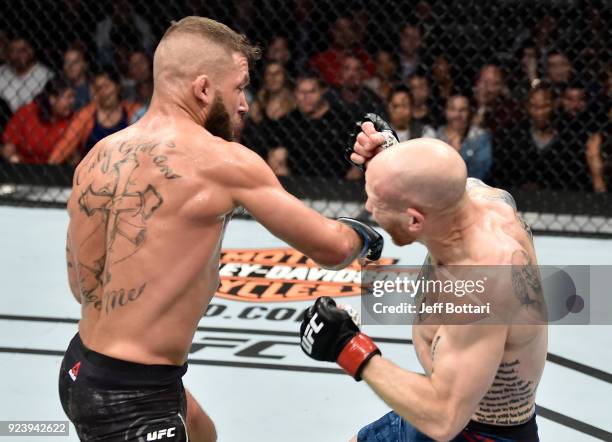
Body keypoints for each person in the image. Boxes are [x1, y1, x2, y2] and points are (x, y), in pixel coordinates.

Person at [58, 16, 383, 442]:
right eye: (239, 87)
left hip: (81, 366)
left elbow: (80, 288)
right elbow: (333, 247)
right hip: (132, 399)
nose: (245, 103)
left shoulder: (100, 154)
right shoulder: (224, 161)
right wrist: (370, 218)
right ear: (204, 88)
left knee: (203, 433)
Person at [300, 119, 546, 441]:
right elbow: (434, 179)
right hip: (445, 403)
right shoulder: (477, 198)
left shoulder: (479, 284)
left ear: (414, 219)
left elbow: (444, 419)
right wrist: (391, 158)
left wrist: (348, 346)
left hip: (471, 430)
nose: (368, 207)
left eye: (376, 201)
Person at [48, 66, 141, 164]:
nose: (104, 92)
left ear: (117, 86)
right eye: (99, 88)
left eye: (107, 86)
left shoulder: (134, 111)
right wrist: (50, 166)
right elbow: (65, 145)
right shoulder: (86, 114)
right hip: (92, 171)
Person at [2, 77, 74, 164]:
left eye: (73, 97)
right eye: (68, 97)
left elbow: (74, 156)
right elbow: (8, 149)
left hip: (56, 170)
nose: (72, 101)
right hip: (23, 167)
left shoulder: (72, 119)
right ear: (53, 99)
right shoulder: (27, 112)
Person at [436, 95, 492, 181]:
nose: (457, 114)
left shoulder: (480, 136)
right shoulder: (437, 135)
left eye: (462, 110)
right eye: (452, 109)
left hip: (472, 186)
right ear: (445, 111)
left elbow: (481, 169)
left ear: (469, 112)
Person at [0, 36, 54, 113]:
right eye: (14, 50)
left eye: (24, 49)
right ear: (7, 54)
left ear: (31, 50)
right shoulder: (1, 72)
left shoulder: (46, 76)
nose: (20, 54)